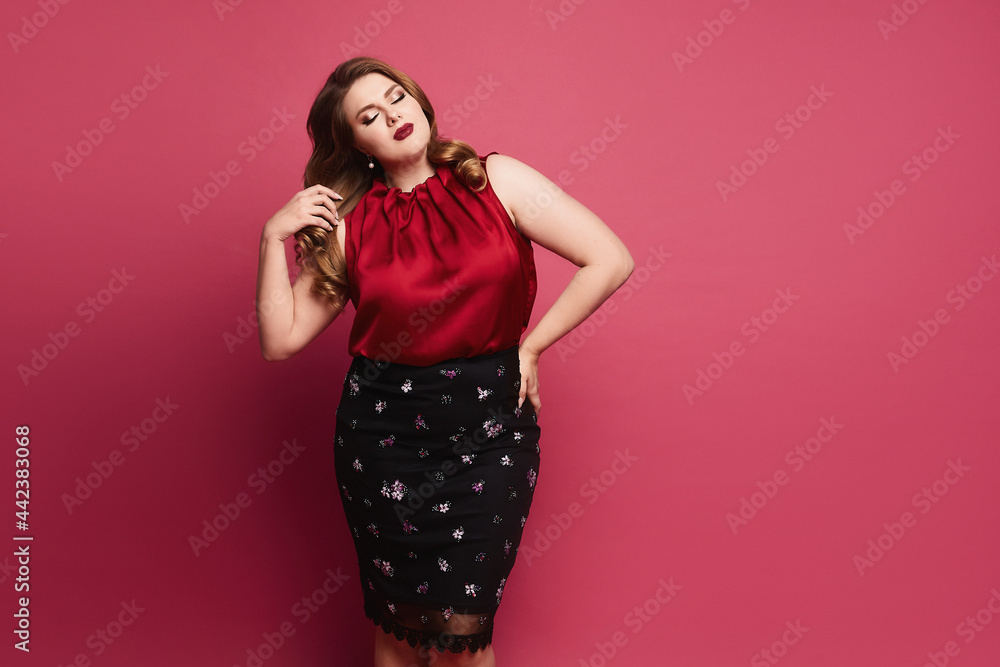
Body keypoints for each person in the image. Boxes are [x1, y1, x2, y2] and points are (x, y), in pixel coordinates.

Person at [255, 56, 634, 667]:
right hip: (383, 441)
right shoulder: (351, 228)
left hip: (490, 432)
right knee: (400, 634)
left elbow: (610, 258)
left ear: (418, 99)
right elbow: (280, 340)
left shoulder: (496, 179)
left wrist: (531, 347)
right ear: (358, 146)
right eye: (368, 117)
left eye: (395, 97)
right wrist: (272, 238)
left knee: (464, 639)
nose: (392, 116)